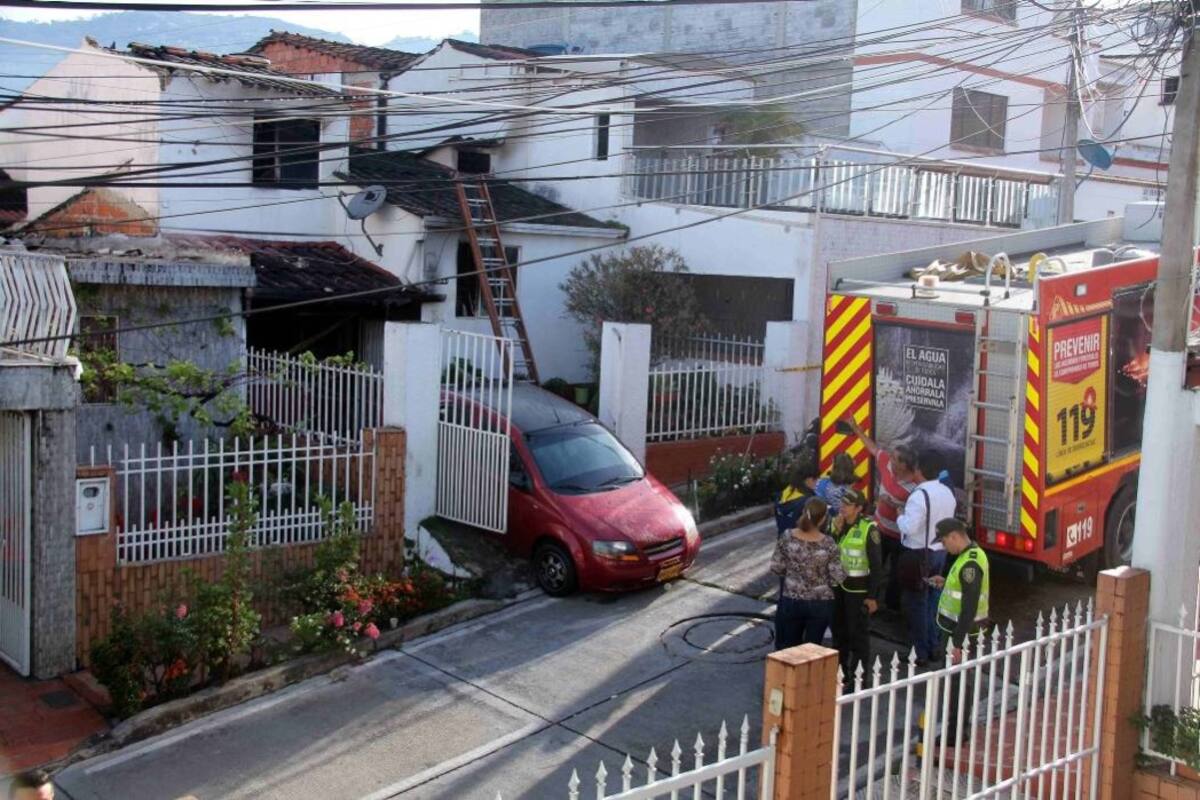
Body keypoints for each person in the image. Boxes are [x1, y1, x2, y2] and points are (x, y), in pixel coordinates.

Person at [928, 517, 991, 743]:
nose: (944, 547)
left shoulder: (970, 564)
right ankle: (956, 729)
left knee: (957, 685)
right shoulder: (967, 556)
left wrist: (957, 642)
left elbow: (969, 606)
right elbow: (962, 592)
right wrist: (945, 582)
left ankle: (955, 733)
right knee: (956, 682)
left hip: (961, 632)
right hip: (955, 629)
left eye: (944, 542)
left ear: (954, 536)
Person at [895, 450, 957, 666]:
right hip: (939, 551)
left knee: (916, 605)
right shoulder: (947, 493)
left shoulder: (919, 495)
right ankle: (934, 646)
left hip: (919, 554)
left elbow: (909, 527)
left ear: (919, 469)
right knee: (932, 602)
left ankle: (920, 652)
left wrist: (899, 516)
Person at [770, 497, 846, 650]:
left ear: (804, 512)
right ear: (823, 519)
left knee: (789, 649)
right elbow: (838, 577)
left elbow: (776, 567)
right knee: (812, 650)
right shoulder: (828, 543)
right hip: (820, 603)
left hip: (791, 600)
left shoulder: (787, 536)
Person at [829, 488, 884, 686]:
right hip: (839, 588)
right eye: (841, 504)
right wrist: (834, 530)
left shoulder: (869, 529)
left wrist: (872, 596)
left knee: (858, 636)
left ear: (859, 508)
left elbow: (877, 567)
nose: (842, 508)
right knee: (839, 633)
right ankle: (841, 672)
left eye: (847, 505)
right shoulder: (837, 524)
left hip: (858, 592)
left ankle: (859, 678)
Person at [775, 457, 818, 536]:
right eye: (815, 480)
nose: (816, 484)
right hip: (802, 543)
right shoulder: (808, 500)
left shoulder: (782, 495)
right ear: (809, 479)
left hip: (783, 542)